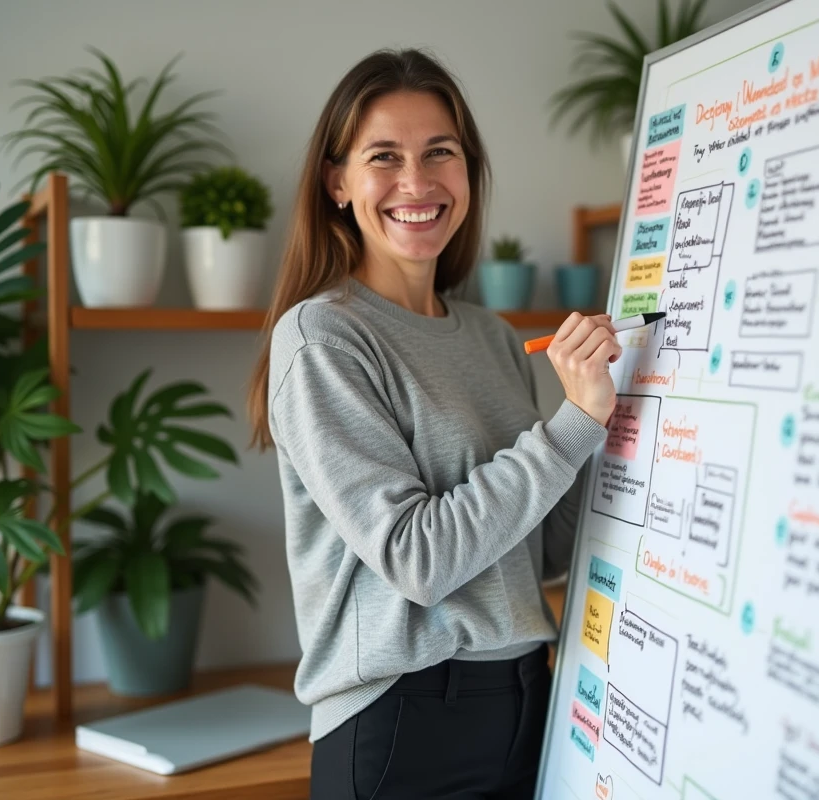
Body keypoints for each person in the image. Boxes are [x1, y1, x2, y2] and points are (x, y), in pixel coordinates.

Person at [247, 48, 623, 799]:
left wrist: (620, 419)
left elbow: (543, 551)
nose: (416, 183)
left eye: (439, 153)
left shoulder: (492, 335)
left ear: (468, 171)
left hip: (526, 698)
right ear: (338, 182)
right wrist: (573, 425)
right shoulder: (322, 338)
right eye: (384, 157)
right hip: (401, 724)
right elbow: (419, 560)